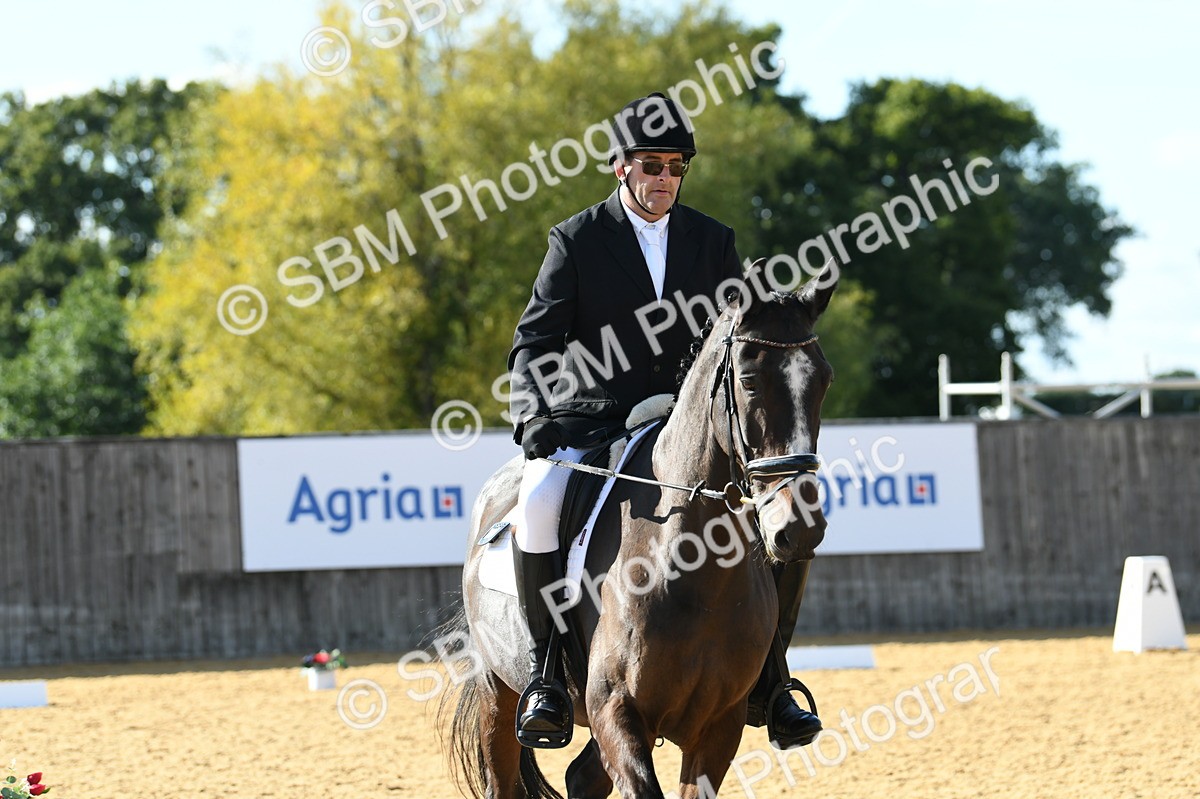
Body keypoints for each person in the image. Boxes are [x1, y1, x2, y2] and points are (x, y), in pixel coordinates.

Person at [506, 92, 822, 749]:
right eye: (652, 165)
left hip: (689, 424)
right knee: (536, 501)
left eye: (677, 167)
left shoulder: (712, 240)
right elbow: (535, 341)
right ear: (620, 166)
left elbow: (741, 332)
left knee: (786, 514)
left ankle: (773, 678)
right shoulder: (577, 239)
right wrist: (532, 411)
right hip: (597, 423)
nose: (665, 179)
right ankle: (546, 674)